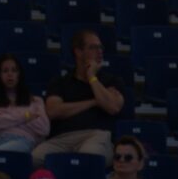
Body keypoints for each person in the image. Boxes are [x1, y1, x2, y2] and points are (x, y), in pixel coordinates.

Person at [36, 27, 128, 162]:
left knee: (88, 158)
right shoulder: (61, 82)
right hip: (61, 139)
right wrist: (94, 102)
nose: (100, 52)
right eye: (93, 47)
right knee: (35, 158)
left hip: (96, 136)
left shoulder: (111, 81)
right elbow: (53, 111)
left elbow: (113, 107)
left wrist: (92, 77)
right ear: (78, 52)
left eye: (100, 47)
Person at [0, 53, 48, 160]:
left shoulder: (36, 101)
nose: (10, 74)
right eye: (5, 71)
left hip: (23, 140)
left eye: (14, 70)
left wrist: (5, 119)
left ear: (19, 74)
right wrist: (27, 116)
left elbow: (44, 129)